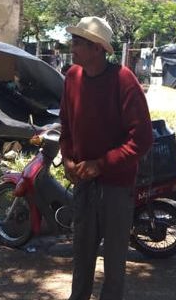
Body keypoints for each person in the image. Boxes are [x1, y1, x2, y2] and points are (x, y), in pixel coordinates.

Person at [59, 16, 154, 300]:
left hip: (116, 185)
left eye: (79, 43)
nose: (72, 49)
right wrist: (67, 159)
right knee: (82, 257)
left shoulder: (123, 79)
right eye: (73, 42)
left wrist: (101, 164)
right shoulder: (72, 77)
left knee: (114, 262)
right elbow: (65, 124)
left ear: (98, 48)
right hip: (84, 182)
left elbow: (142, 138)